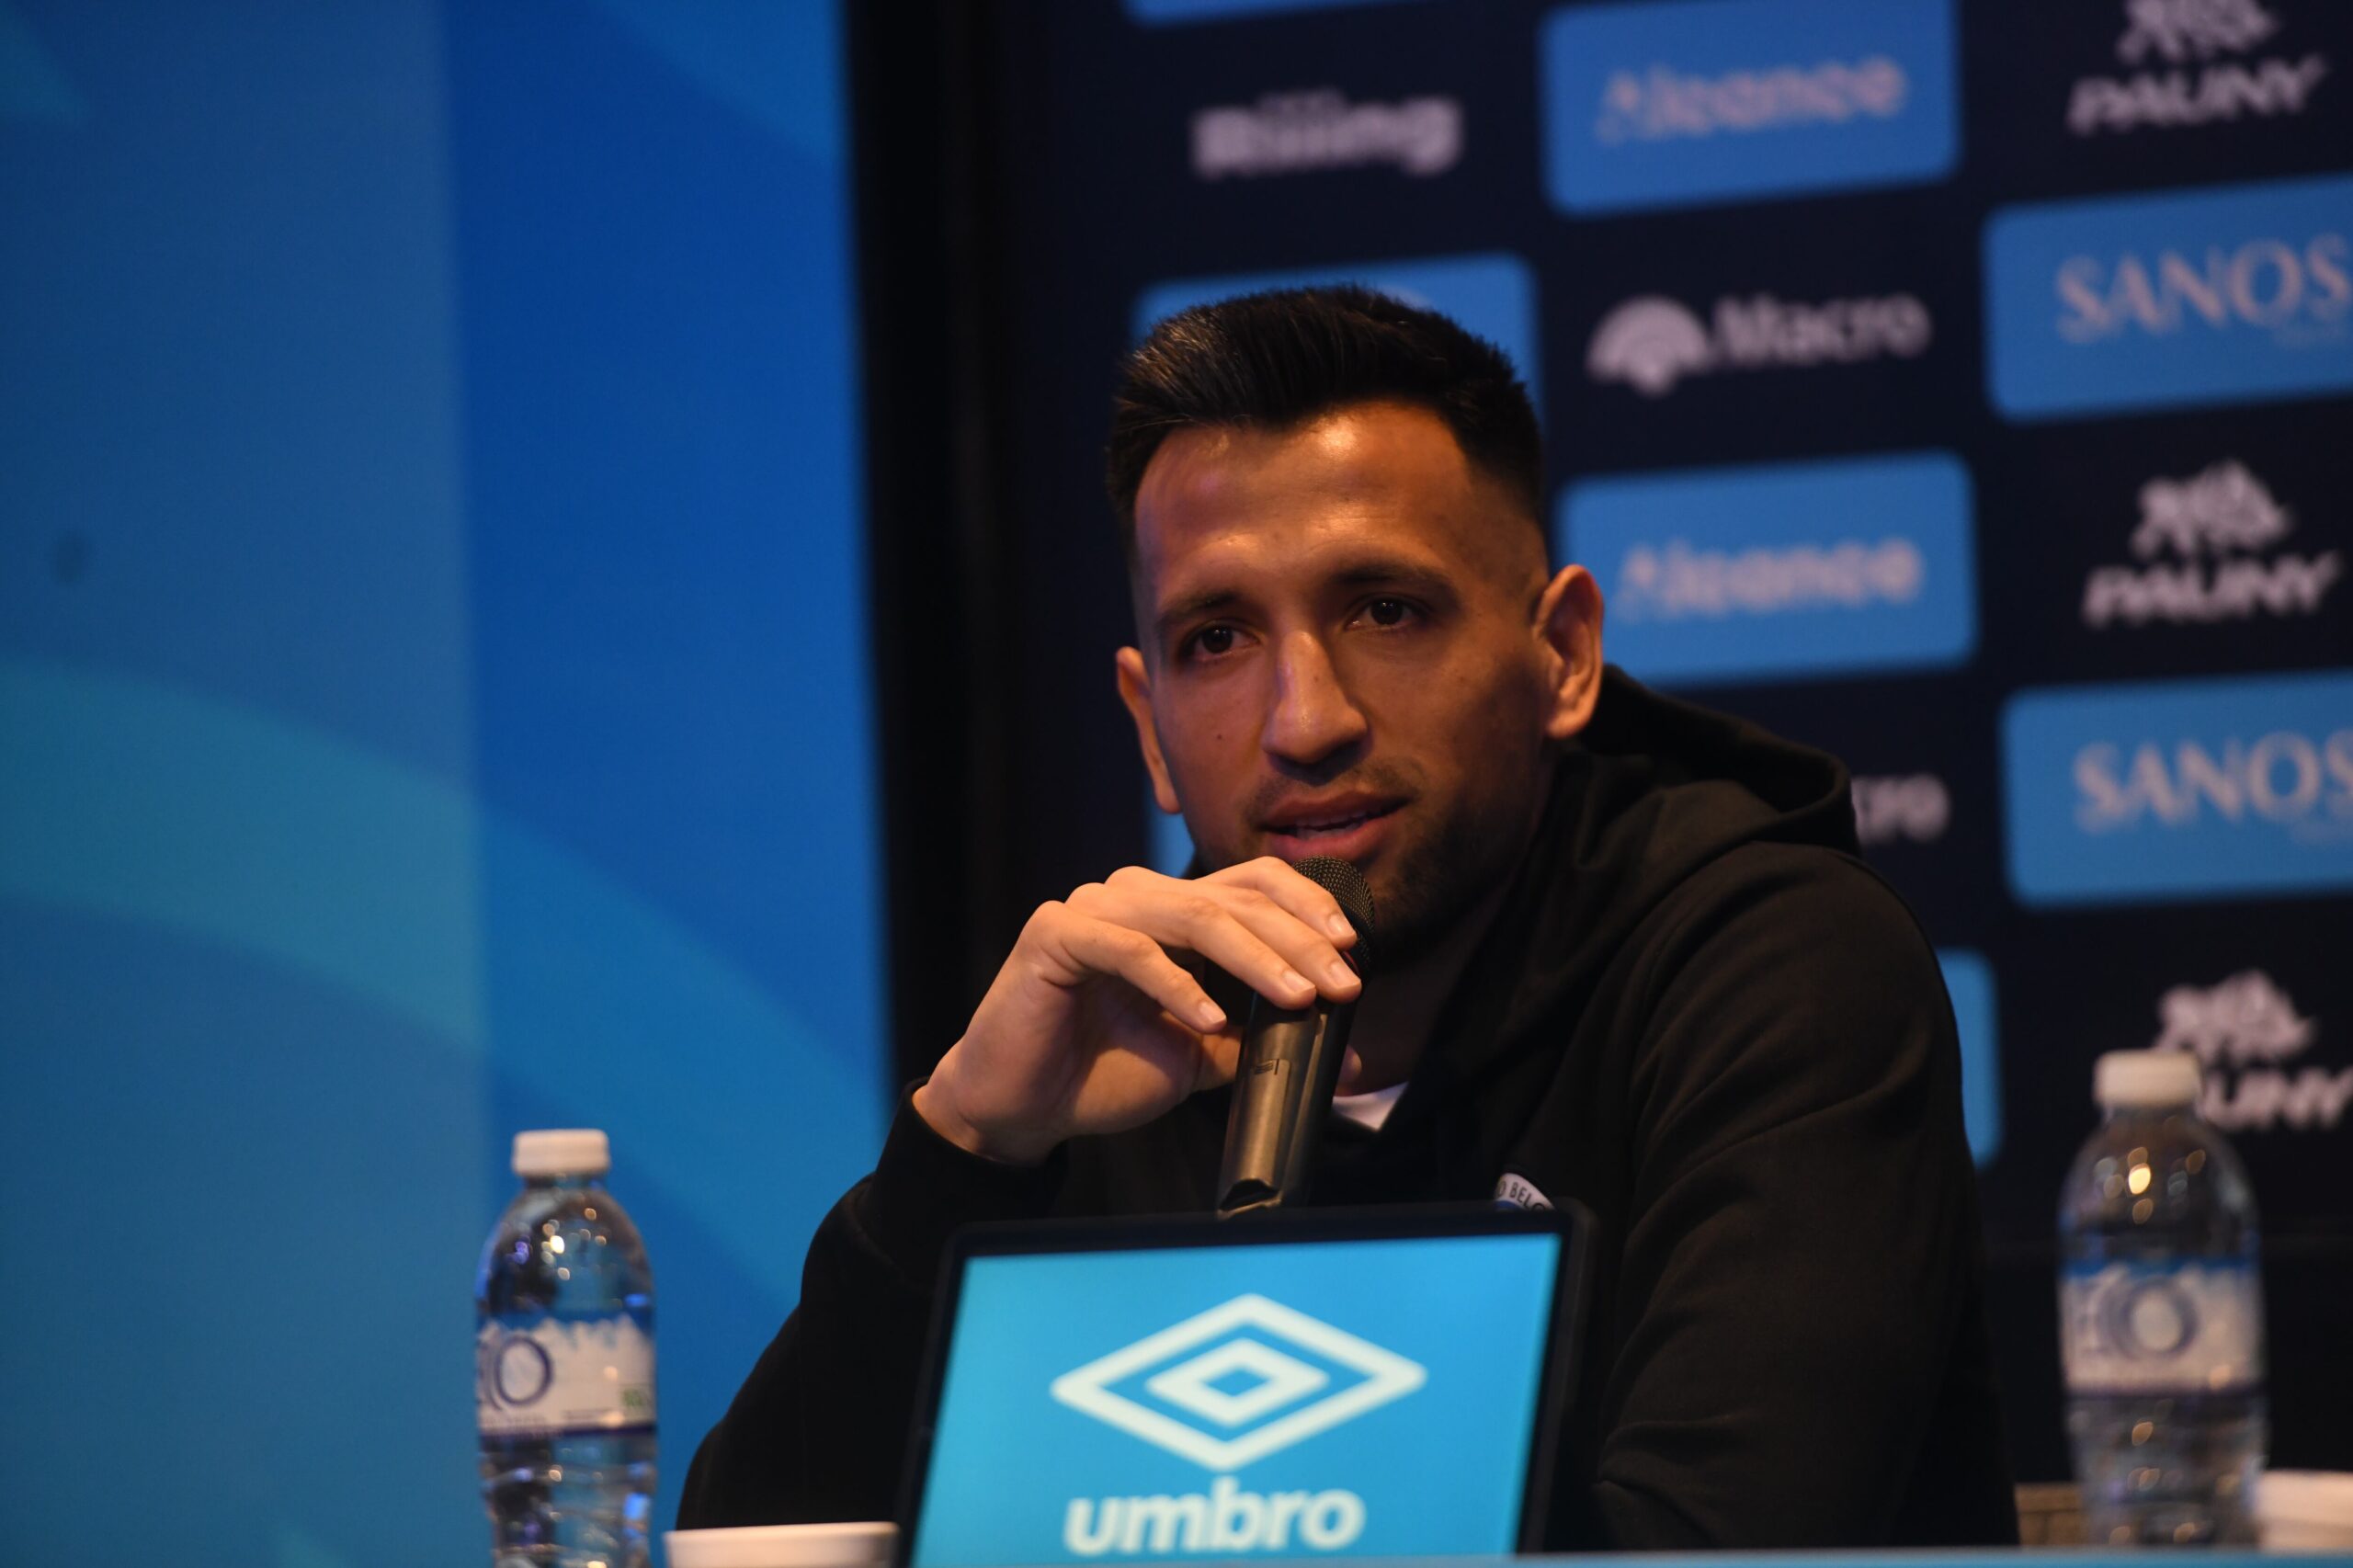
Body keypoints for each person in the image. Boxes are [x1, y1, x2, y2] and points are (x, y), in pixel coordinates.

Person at [679, 286, 2018, 1547]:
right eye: (1218, 638)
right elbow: (752, 1549)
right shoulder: (1114, 1043)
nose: (1306, 720)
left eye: (1386, 610)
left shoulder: (1776, 971)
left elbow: (1716, 1550)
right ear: (1148, 725)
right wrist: (966, 1147)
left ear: (1562, 654)